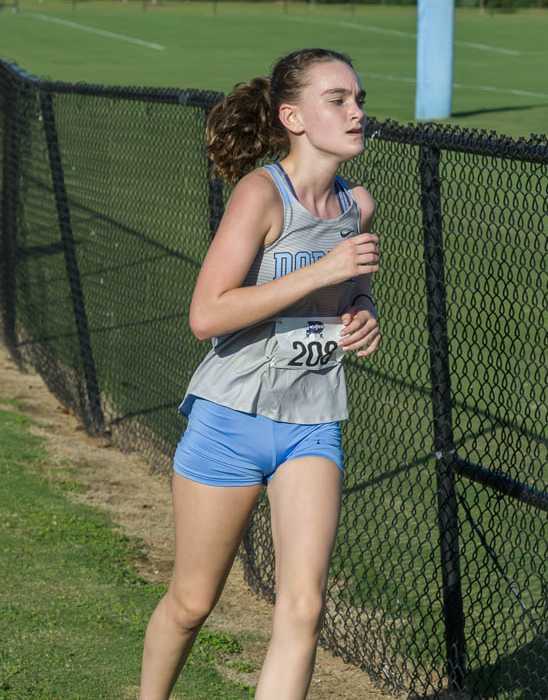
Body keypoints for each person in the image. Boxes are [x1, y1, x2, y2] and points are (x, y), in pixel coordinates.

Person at [139, 48, 382, 700]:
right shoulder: (259, 194)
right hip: (229, 422)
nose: (357, 112)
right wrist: (323, 273)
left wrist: (360, 313)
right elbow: (205, 314)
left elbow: (344, 299)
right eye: (339, 100)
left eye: (359, 99)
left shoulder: (357, 202)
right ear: (293, 115)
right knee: (192, 602)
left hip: (312, 423)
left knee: (303, 608)